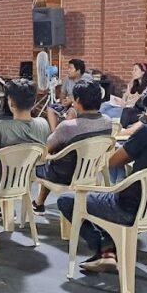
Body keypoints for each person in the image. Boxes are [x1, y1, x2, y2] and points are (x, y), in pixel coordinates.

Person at [57, 82, 147, 272]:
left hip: (127, 206)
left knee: (67, 200)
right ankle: (109, 250)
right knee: (102, 201)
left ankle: (105, 247)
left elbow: (114, 161)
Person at [33, 80, 113, 212]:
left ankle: (37, 203)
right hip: (91, 171)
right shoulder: (107, 121)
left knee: (46, 161)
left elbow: (46, 148)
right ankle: (39, 202)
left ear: (78, 100)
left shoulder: (68, 127)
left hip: (65, 175)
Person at [0, 79, 49, 194]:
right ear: (34, 101)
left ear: (11, 103)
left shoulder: (0, 127)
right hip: (25, 180)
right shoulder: (43, 124)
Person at [47, 58, 95, 131]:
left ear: (78, 71)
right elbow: (63, 93)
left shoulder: (87, 79)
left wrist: (72, 100)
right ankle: (54, 132)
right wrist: (62, 100)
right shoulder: (67, 79)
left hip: (81, 105)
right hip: (68, 104)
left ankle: (65, 133)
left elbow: (88, 95)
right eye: (68, 68)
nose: (68, 70)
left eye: (70, 68)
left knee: (71, 112)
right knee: (50, 108)